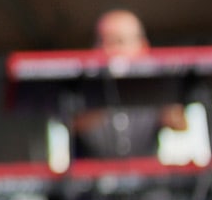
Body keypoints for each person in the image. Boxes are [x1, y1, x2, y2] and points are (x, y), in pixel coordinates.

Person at [70, 8, 188, 158]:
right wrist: (109, 93)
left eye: (119, 41)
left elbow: (180, 124)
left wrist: (151, 92)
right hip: (93, 178)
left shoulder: (154, 80)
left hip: (146, 178)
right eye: (103, 41)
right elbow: (69, 125)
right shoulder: (83, 79)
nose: (110, 50)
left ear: (142, 46)